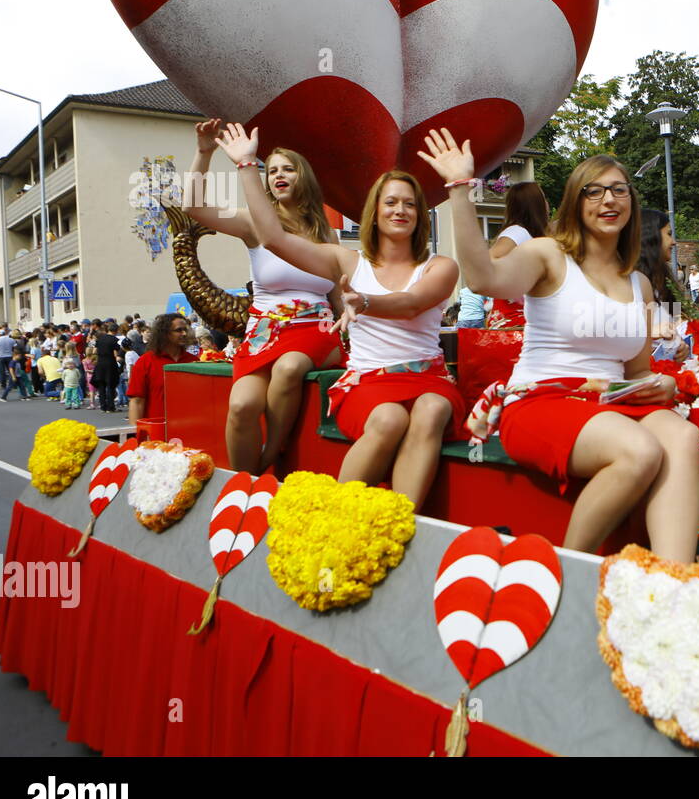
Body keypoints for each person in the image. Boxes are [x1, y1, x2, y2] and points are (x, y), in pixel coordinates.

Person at [430, 130, 699, 562]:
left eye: (618, 190)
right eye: (594, 192)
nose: (608, 200)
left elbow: (638, 373)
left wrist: (662, 386)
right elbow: (482, 279)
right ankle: (565, 570)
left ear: (631, 202)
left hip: (612, 401)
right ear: (576, 201)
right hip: (543, 399)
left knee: (683, 436)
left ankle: (674, 580)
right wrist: (460, 190)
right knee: (641, 449)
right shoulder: (548, 255)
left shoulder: (640, 283)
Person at [220, 123, 463, 507]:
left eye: (410, 203)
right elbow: (273, 238)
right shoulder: (345, 260)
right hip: (369, 382)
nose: (400, 209)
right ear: (375, 212)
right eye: (391, 202)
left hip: (428, 378)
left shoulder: (440, 265)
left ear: (420, 214)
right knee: (389, 420)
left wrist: (366, 303)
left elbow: (412, 303)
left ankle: (402, 522)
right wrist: (248, 165)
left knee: (432, 409)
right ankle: (336, 514)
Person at [184, 118, 345, 473]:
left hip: (315, 330)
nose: (278, 175)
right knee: (241, 407)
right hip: (263, 334)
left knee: (289, 368)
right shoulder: (255, 222)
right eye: (271, 170)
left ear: (304, 176)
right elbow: (194, 208)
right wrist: (203, 152)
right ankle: (245, 484)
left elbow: (337, 297)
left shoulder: (327, 235)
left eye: (288, 168)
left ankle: (271, 456)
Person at [487, 181, 550, 329]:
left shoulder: (526, 234)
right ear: (536, 204)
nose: (547, 203)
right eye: (544, 198)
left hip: (517, 322)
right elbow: (490, 259)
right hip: (513, 323)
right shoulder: (518, 232)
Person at [126, 313, 198, 426]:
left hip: (188, 428)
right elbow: (137, 402)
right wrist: (136, 434)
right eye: (178, 330)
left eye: (185, 330)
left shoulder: (194, 362)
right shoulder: (145, 361)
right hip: (156, 431)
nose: (184, 333)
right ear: (164, 333)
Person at [637, 208, 689, 362]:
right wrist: (650, 333)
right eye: (668, 234)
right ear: (651, 237)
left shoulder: (663, 281)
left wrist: (683, 345)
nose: (673, 242)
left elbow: (678, 319)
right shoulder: (628, 282)